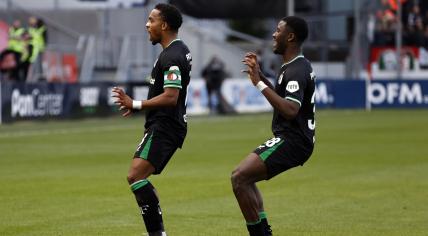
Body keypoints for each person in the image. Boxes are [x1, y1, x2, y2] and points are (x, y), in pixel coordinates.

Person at [231, 16, 316, 236]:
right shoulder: (293, 66)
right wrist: (259, 77)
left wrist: (259, 84)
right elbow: (282, 98)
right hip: (292, 137)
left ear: (290, 36)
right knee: (244, 179)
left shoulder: (296, 69)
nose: (273, 34)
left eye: (278, 30)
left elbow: (289, 110)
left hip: (293, 140)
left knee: (239, 178)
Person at [112, 3, 191, 236]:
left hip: (166, 126)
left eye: (151, 20)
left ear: (164, 25)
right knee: (136, 176)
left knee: (135, 175)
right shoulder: (175, 51)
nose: (147, 25)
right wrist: (139, 108)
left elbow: (170, 96)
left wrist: (135, 103)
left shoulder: (173, 55)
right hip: (165, 124)